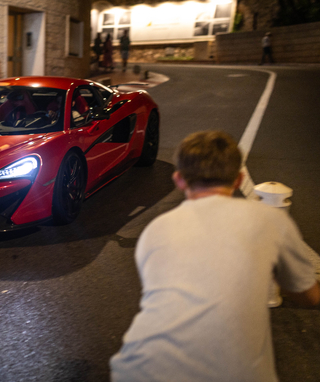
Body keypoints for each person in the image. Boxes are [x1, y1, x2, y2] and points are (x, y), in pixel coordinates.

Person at [110, 130, 320, 382]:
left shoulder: (154, 230)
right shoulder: (271, 220)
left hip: (137, 369)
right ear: (238, 179)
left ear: (178, 180)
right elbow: (309, 296)